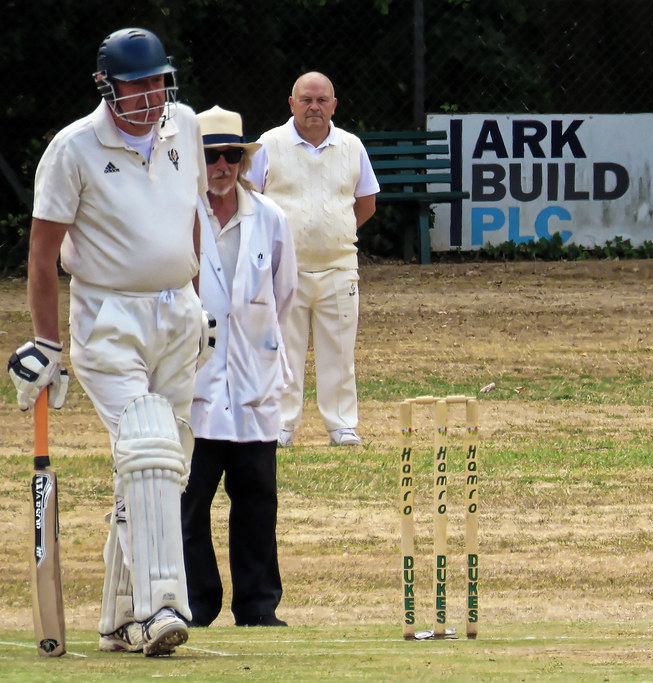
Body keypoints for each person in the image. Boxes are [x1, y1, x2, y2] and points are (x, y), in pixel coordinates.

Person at [7, 28, 214, 656]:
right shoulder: (73, 148)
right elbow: (42, 254)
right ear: (108, 87)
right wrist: (47, 344)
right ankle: (161, 610)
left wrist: (197, 299)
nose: (152, 95)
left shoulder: (185, 127)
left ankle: (119, 618)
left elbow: (191, 220)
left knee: (161, 467)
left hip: (177, 315)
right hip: (107, 320)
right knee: (148, 442)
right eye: (139, 84)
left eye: (159, 81)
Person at [181, 106, 296, 628]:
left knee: (256, 499)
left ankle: (257, 606)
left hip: (254, 381)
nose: (222, 165)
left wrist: (263, 348)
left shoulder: (270, 218)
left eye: (232, 155)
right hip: (193, 382)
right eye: (211, 156)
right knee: (190, 501)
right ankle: (195, 604)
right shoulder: (180, 216)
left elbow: (284, 296)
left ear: (244, 161)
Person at [248, 71, 380, 448]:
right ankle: (281, 426)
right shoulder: (269, 145)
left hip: (339, 266)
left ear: (334, 105)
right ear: (291, 104)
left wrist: (334, 232)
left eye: (322, 101)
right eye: (306, 100)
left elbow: (366, 202)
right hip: (284, 270)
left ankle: (341, 426)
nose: (314, 108)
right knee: (283, 352)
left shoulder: (351, 146)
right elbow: (250, 201)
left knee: (339, 351)